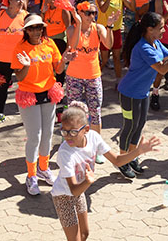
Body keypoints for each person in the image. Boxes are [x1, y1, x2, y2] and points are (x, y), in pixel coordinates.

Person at [51, 101, 161, 241]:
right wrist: (87, 181)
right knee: (75, 239)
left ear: (86, 129)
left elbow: (117, 160)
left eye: (73, 132)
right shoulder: (65, 152)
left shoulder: (94, 138)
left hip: (79, 191)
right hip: (63, 196)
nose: (68, 137)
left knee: (85, 234)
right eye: (64, 132)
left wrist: (138, 151)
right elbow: (73, 189)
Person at [117, 12, 168, 178]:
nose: (164, 30)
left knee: (139, 125)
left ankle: (132, 157)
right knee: (129, 126)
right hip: (129, 94)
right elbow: (163, 68)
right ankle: (122, 160)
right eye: (161, 27)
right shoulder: (144, 48)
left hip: (142, 93)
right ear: (149, 29)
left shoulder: (155, 43)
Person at [12, 14, 74, 196]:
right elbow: (20, 77)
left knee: (47, 135)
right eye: (31, 28)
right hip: (28, 95)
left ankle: (43, 168)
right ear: (26, 30)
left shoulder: (49, 43)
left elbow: (58, 69)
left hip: (48, 92)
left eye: (39, 27)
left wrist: (65, 59)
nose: (36, 31)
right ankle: (31, 175)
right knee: (34, 137)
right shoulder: (20, 48)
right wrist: (26, 65)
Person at [64, 1, 115, 164]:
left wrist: (110, 26)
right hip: (74, 76)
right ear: (79, 13)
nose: (92, 16)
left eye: (94, 13)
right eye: (88, 13)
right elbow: (72, 46)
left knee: (95, 112)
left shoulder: (98, 28)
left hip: (93, 76)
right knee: (74, 113)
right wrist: (78, 24)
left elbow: (108, 44)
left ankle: (97, 149)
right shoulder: (71, 29)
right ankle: (72, 144)